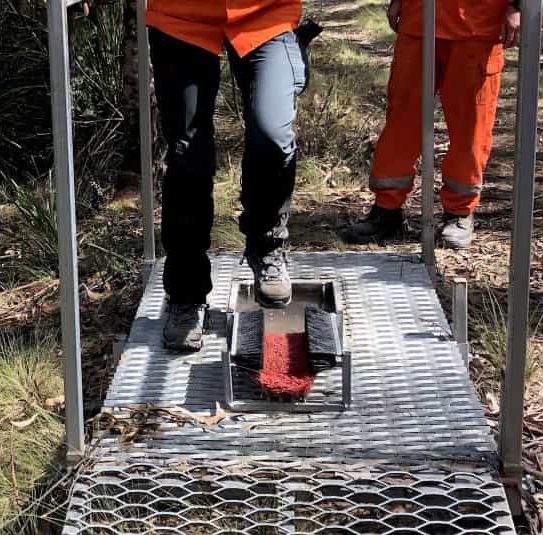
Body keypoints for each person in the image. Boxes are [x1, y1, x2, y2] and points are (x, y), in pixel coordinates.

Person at [145, 1, 309, 351]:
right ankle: (186, 297)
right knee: (188, 156)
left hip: (266, 15)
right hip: (181, 18)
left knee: (273, 138)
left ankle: (267, 247)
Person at [346, 0, 521, 249]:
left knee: (470, 128)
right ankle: (386, 210)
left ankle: (460, 213)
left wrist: (518, 5)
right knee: (401, 122)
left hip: (478, 23)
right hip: (419, 20)